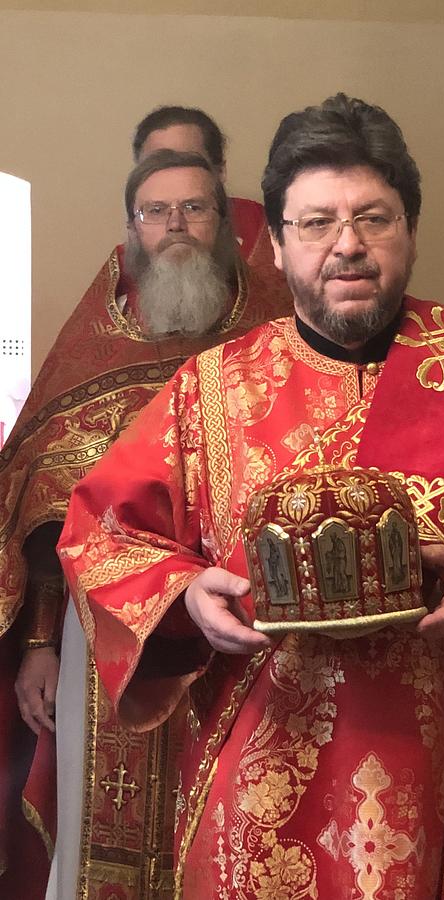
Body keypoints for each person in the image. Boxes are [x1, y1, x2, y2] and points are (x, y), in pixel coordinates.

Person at [58, 94, 444, 899]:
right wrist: (185, 594)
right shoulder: (209, 392)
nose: (347, 245)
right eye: (316, 223)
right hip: (260, 777)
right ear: (276, 242)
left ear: (411, 228)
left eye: (374, 218)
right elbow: (103, 534)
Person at [0, 109, 292, 899]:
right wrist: (39, 642)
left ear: (224, 214)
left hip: (250, 624)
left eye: (193, 207)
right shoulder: (93, 345)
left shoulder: (277, 326)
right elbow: (43, 507)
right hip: (108, 627)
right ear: (133, 224)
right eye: (155, 210)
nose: (175, 224)